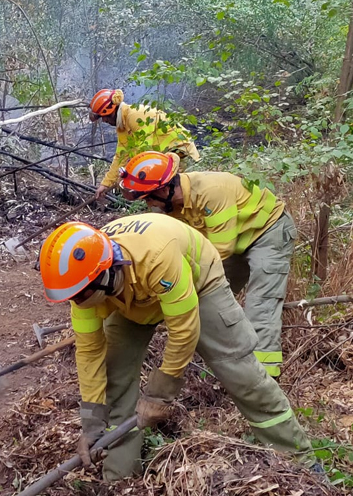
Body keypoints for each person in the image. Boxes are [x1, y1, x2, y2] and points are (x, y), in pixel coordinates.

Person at [38, 214, 308, 480]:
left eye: (80, 295)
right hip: (129, 300)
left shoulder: (157, 257)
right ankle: (119, 479)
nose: (77, 301)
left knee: (239, 370)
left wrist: (159, 395)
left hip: (198, 284)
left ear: (105, 273)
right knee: (114, 378)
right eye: (72, 297)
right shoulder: (83, 291)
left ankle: (299, 458)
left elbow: (183, 330)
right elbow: (89, 354)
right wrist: (92, 424)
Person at [116, 151, 294, 377]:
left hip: (267, 231)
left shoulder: (212, 192)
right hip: (234, 239)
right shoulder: (173, 208)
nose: (150, 204)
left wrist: (185, 279)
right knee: (208, 298)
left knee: (261, 302)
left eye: (149, 198)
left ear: (163, 189)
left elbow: (219, 252)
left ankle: (265, 378)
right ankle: (228, 356)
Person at [87, 88, 201, 201]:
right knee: (163, 199)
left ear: (110, 110)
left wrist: (126, 176)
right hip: (166, 157)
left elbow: (144, 152)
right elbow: (120, 156)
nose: (104, 121)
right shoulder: (122, 126)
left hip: (181, 153)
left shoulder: (135, 115)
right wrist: (105, 184)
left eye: (103, 117)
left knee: (181, 196)